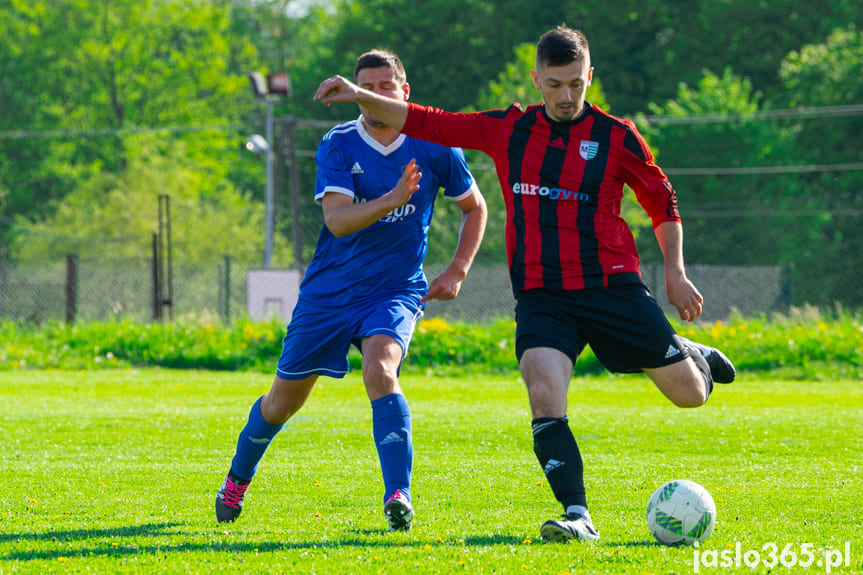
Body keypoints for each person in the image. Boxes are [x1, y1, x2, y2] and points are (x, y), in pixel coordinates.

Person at [314, 26, 735, 543]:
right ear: (536, 79)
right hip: (541, 294)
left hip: (610, 286)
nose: (565, 96)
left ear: (590, 78)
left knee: (690, 396)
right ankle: (577, 514)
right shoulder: (510, 130)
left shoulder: (617, 136)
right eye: (554, 84)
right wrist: (359, 95)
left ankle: (686, 352)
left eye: (576, 85)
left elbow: (661, 201)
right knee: (543, 391)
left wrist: (674, 270)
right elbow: (431, 121)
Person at [216, 49, 487, 532]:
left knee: (381, 369)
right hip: (330, 293)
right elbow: (338, 222)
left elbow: (475, 207)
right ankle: (237, 479)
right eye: (370, 87)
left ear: (405, 92)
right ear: (356, 95)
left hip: (395, 290)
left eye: (388, 86)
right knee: (281, 404)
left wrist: (458, 270)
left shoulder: (436, 144)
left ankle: (398, 495)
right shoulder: (338, 143)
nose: (379, 95)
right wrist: (392, 199)